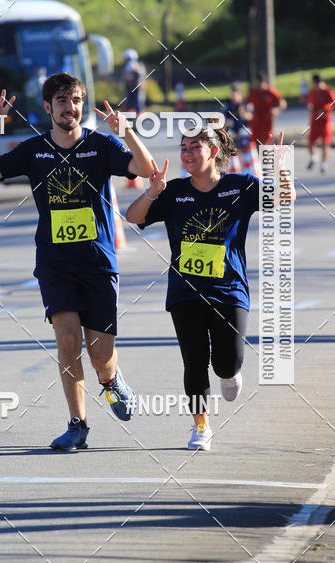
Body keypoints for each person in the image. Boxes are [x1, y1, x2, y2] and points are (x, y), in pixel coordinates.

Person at [0, 72, 155, 451]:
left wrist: (126, 132)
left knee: (100, 354)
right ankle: (77, 425)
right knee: (67, 341)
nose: (69, 108)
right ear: (48, 107)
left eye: (75, 101)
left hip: (97, 262)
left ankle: (110, 379)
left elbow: (145, 168)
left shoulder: (100, 145)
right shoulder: (34, 150)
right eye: (61, 101)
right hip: (55, 263)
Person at [125, 124, 294, 452]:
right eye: (183, 149)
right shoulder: (174, 191)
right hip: (185, 290)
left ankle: (229, 374)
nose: (187, 154)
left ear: (214, 152)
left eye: (194, 148)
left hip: (230, 288)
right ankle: (201, 426)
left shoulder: (240, 186)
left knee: (226, 362)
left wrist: (279, 166)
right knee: (194, 360)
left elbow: (284, 198)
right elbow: (132, 217)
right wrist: (152, 192)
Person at [307, 73, 335, 172]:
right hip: (315, 121)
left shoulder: (328, 91)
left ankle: (324, 163)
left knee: (325, 143)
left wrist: (326, 111)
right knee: (311, 141)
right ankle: (314, 157)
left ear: (316, 82)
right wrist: (310, 108)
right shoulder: (312, 92)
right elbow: (310, 104)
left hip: (325, 121)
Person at [246, 72, 287, 146]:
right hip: (256, 120)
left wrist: (277, 110)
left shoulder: (270, 91)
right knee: (255, 142)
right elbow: (244, 103)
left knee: (266, 141)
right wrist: (246, 113)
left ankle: (265, 152)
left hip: (267, 120)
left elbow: (282, 103)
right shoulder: (253, 92)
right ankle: (259, 153)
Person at [122, 49, 147, 124]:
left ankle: (135, 123)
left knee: (135, 106)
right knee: (135, 107)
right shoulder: (138, 65)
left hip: (134, 90)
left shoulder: (131, 65)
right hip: (134, 90)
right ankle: (136, 122)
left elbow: (130, 77)